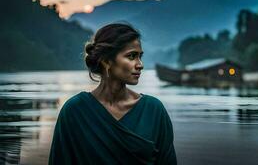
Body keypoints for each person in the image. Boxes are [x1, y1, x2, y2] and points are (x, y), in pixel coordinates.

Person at [48, 22, 177, 165]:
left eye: (140, 56)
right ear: (106, 61)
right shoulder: (74, 111)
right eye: (131, 56)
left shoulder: (154, 110)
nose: (140, 64)